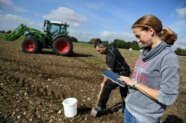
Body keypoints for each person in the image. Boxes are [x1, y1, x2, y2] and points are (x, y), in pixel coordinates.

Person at [118, 15, 180, 123]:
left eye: (138, 36)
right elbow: (140, 78)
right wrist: (128, 82)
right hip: (129, 109)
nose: (137, 41)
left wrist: (133, 83)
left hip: (145, 118)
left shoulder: (168, 57)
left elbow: (167, 97)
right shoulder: (144, 52)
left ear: (150, 31)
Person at [91, 42, 131, 117]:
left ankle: (101, 107)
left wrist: (103, 83)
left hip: (122, 73)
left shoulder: (110, 56)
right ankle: (126, 108)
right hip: (125, 71)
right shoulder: (113, 49)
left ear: (104, 47)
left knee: (107, 85)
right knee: (124, 91)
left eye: (99, 50)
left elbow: (109, 71)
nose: (98, 52)